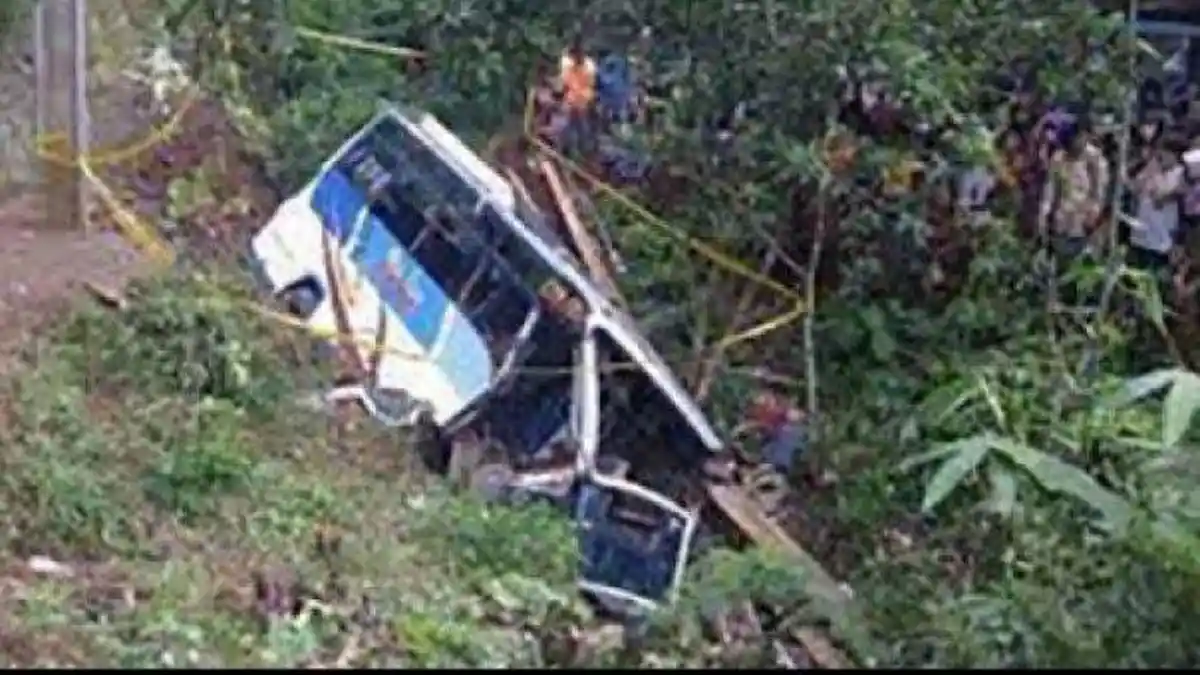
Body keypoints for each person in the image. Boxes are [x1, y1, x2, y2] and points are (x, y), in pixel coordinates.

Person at [1038, 116, 1109, 260]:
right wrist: (1044, 212)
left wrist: (1092, 215)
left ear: (1082, 136)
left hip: (1083, 228)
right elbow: (1050, 188)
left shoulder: (1095, 160)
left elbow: (1099, 195)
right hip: (1061, 224)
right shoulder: (1059, 158)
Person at [1128, 133, 1186, 271]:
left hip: (1162, 236)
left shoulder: (1181, 174)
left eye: (1165, 152)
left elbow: (1163, 196)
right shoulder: (1151, 169)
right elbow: (1135, 188)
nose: (1160, 156)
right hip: (1141, 233)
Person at [556, 36, 597, 155]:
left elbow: (588, 86)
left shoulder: (589, 67)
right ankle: (564, 148)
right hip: (570, 98)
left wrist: (581, 102)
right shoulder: (567, 63)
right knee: (565, 125)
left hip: (582, 99)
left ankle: (584, 150)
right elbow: (564, 81)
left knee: (581, 126)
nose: (575, 59)